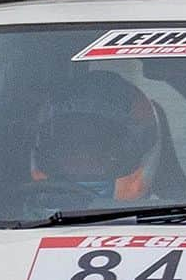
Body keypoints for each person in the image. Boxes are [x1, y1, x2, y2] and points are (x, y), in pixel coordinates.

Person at [30, 70, 162, 204]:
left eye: (98, 146)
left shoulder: (164, 217)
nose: (81, 158)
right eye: (68, 144)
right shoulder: (17, 216)